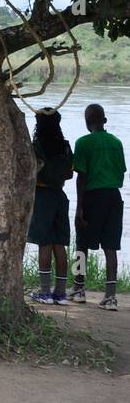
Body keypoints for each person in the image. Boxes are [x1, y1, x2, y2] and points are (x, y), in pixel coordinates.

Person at [72, 103, 125, 310]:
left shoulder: (83, 143)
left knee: (81, 245)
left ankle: (78, 289)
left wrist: (79, 208)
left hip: (92, 197)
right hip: (114, 197)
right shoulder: (116, 142)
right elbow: (121, 171)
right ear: (104, 120)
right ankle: (110, 296)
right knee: (111, 247)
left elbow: (81, 176)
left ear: (87, 122)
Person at [28, 108, 74, 305]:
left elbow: (30, 171)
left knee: (44, 243)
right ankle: (61, 294)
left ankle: (45, 292)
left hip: (42, 195)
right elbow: (70, 174)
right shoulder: (64, 146)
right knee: (59, 244)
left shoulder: (36, 145)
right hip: (60, 196)